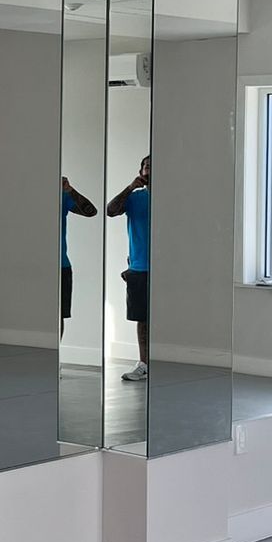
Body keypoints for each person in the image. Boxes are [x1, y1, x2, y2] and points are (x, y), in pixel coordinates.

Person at [107, 154, 151, 381]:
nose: (149, 170)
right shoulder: (135, 198)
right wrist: (130, 187)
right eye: (146, 166)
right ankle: (144, 364)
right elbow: (110, 210)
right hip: (139, 268)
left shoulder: (176, 197)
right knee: (142, 320)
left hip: (169, 268)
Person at [60, 176, 97, 323]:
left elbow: (91, 211)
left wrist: (69, 190)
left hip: (61, 265)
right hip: (34, 265)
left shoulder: (62, 195)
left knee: (58, 316)